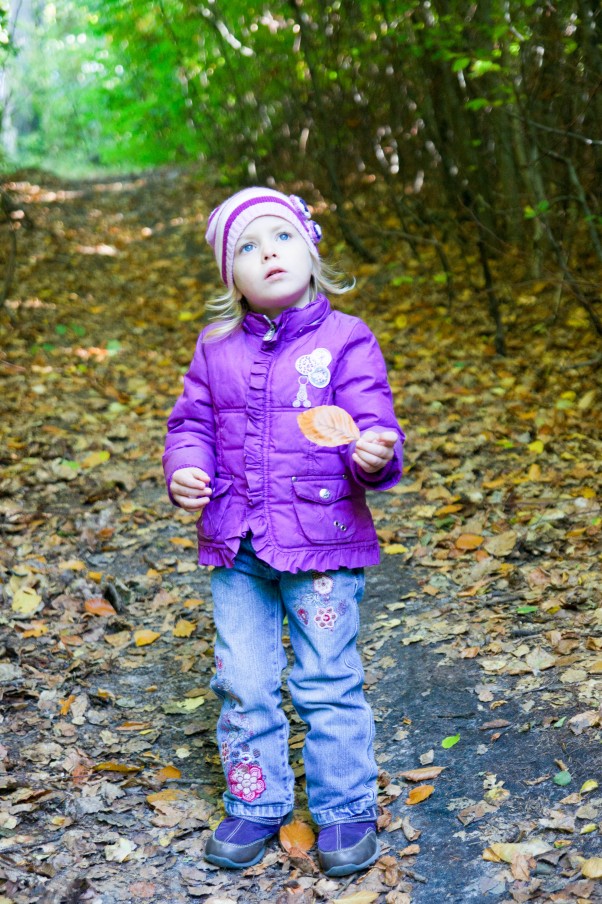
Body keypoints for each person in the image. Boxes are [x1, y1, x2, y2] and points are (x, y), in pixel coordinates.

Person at [163, 187, 405, 877]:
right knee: (243, 678)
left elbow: (371, 415)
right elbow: (191, 426)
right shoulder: (215, 350)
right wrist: (186, 470)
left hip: (321, 537)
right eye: (246, 246)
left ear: (310, 248)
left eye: (282, 236)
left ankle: (345, 805)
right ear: (228, 277)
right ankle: (256, 799)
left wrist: (374, 450)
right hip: (237, 543)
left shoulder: (346, 339)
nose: (268, 251)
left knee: (327, 678)